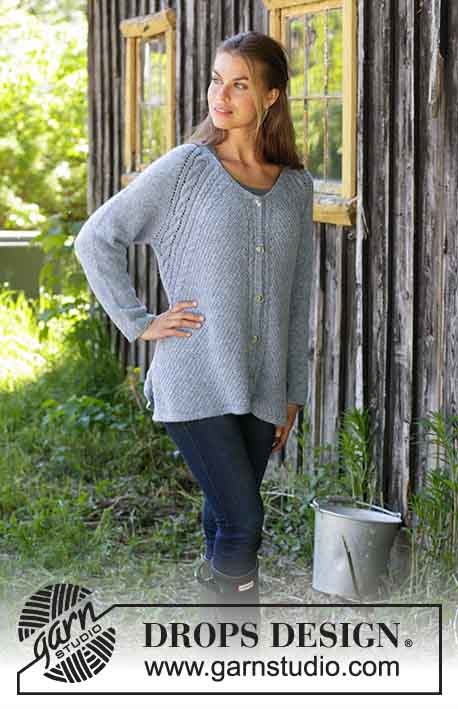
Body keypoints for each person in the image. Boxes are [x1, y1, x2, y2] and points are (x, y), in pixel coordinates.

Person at [74, 30, 314, 632]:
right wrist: (139, 322)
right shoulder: (186, 169)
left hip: (260, 389)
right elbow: (96, 238)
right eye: (216, 80)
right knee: (243, 522)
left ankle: (211, 640)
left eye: (239, 85)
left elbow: (297, 299)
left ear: (271, 97)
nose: (220, 96)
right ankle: (237, 647)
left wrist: (292, 392)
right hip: (193, 379)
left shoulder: (295, 187)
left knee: (222, 521)